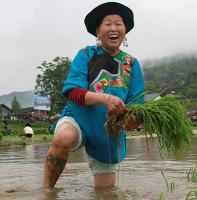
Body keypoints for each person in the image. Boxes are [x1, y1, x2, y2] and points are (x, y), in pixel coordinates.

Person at [42, 2, 144, 189]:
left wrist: (133, 121)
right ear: (98, 32)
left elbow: (137, 106)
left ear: (125, 31)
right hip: (77, 120)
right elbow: (73, 91)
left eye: (118, 23)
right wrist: (105, 99)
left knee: (105, 193)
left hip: (107, 133)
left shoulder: (132, 64)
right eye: (107, 24)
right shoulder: (86, 55)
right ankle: (46, 191)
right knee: (63, 137)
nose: (113, 28)